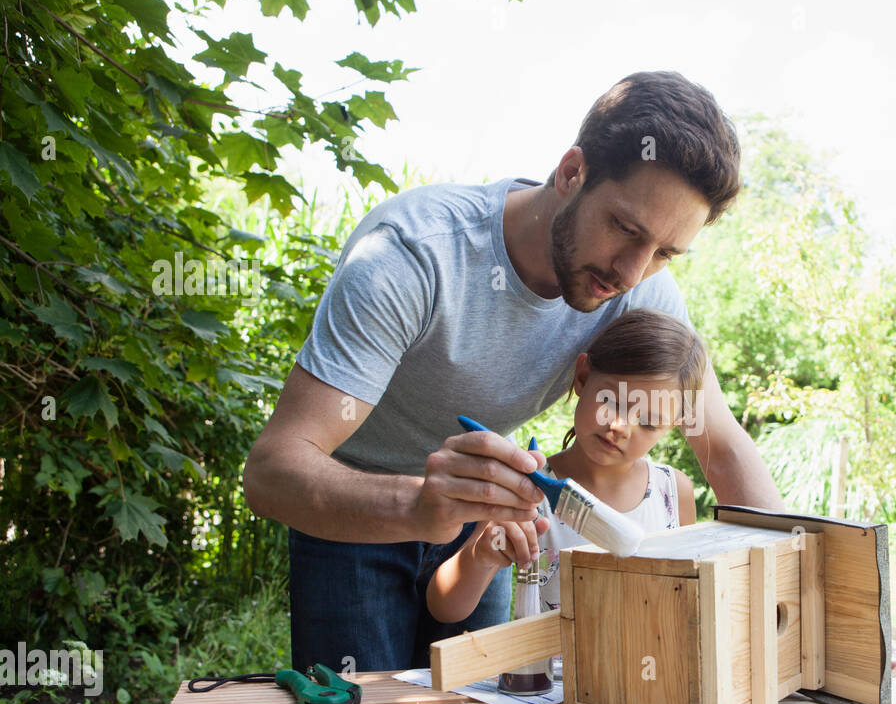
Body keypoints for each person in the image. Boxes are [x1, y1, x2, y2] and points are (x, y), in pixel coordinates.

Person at [243, 71, 784, 673]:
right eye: (626, 230)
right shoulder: (415, 254)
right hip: (352, 509)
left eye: (663, 253)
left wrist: (791, 599)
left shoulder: (638, 293)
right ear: (572, 171)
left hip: (484, 519)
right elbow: (271, 472)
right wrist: (421, 504)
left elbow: (723, 448)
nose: (632, 272)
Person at [426, 309, 703, 623]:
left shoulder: (674, 492)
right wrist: (482, 555)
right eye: (612, 402)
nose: (620, 426)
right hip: (554, 672)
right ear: (583, 377)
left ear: (672, 426)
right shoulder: (526, 491)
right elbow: (445, 608)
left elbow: (688, 601)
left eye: (649, 422)